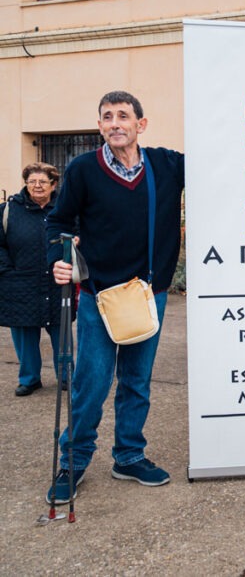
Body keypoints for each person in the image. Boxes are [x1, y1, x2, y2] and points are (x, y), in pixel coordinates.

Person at [45, 91, 185, 505]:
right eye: (107, 117)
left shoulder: (167, 164)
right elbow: (60, 221)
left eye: (123, 116)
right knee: (91, 382)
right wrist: (60, 258)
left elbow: (223, 162)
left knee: (136, 382)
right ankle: (74, 460)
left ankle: (128, 456)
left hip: (148, 294)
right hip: (99, 296)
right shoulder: (83, 169)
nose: (114, 123)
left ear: (141, 124)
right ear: (100, 126)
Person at [0, 163, 64, 396]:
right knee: (25, 335)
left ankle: (66, 377)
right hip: (20, 283)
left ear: (53, 185)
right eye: (32, 181)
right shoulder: (9, 210)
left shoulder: (64, 209)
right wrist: (7, 271)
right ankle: (29, 379)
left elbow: (80, 235)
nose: (37, 186)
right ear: (26, 183)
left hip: (57, 282)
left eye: (43, 182)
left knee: (61, 332)